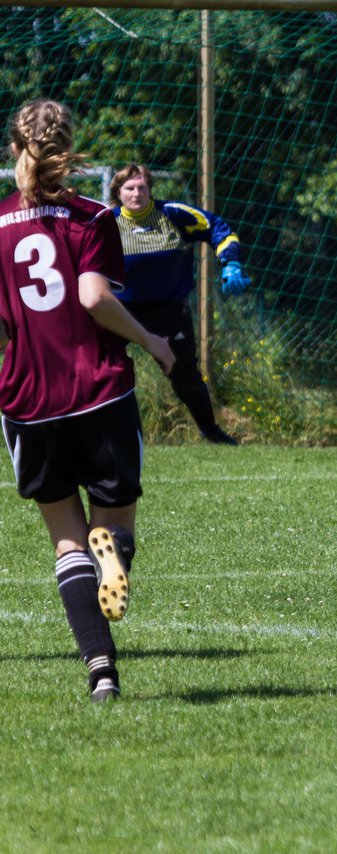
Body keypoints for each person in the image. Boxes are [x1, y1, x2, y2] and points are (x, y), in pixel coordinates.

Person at [0, 99, 175, 702]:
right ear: (68, 146)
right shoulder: (91, 217)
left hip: (26, 399)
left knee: (66, 543)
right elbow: (95, 297)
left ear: (15, 148)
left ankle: (101, 674)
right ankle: (116, 552)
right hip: (97, 390)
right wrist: (152, 340)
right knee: (114, 524)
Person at [110, 162, 251, 445]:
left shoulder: (172, 214)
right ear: (118, 192)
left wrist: (230, 263)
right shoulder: (106, 222)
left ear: (150, 189)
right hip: (120, 312)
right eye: (129, 188)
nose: (136, 193)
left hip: (169, 311)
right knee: (103, 373)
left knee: (185, 377)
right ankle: (104, 435)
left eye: (142, 187)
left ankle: (211, 432)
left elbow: (217, 227)